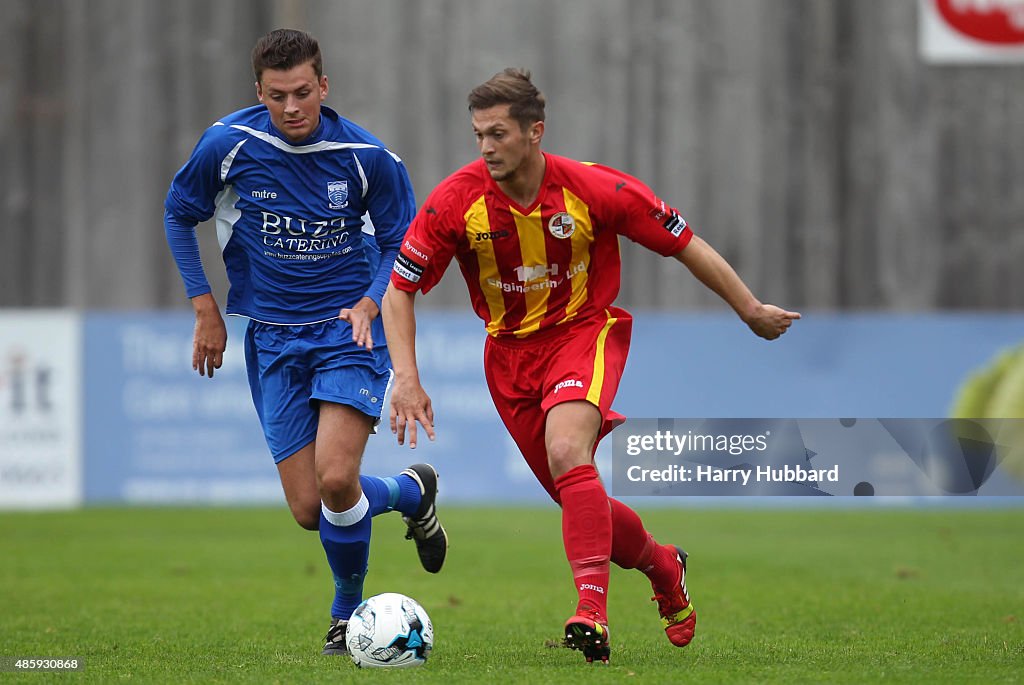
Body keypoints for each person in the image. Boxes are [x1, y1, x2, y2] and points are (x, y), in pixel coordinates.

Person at [382, 68, 800, 664]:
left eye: (498, 133)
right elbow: (400, 290)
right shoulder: (457, 200)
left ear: (535, 132)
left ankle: (591, 612)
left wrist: (750, 308)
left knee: (566, 452)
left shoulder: (596, 189)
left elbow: (686, 244)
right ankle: (662, 564)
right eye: (478, 134)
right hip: (507, 357)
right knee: (578, 498)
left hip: (583, 333)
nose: (486, 147)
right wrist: (408, 379)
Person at [163, 28, 448, 656]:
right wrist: (204, 305)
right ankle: (410, 491)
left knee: (338, 477)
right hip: (271, 336)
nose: (291, 108)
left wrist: (374, 298)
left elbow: (406, 240)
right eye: (276, 96)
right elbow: (180, 212)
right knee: (308, 508)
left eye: (301, 93)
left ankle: (346, 616)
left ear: (324, 85)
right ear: (258, 93)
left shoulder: (366, 156)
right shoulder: (228, 145)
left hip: (348, 332)